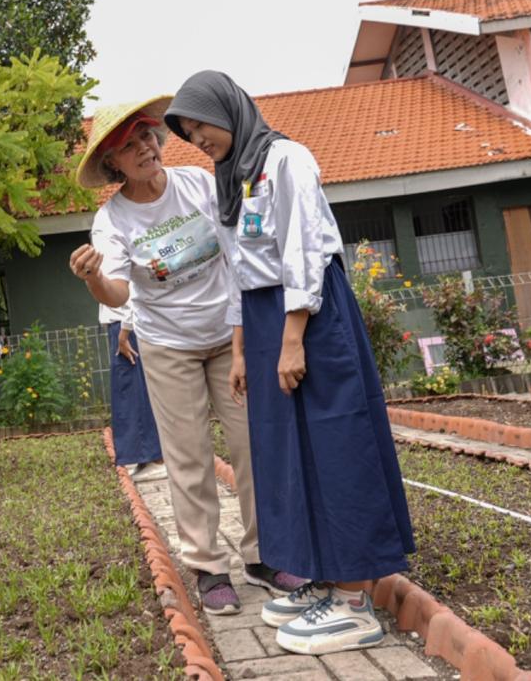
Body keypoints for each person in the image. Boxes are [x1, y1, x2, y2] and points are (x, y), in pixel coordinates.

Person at [164, 70, 415, 656]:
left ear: (228, 109)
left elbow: (305, 249)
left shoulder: (285, 159)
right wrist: (242, 349)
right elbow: (236, 270)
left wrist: (294, 336)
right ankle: (323, 575)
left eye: (200, 122)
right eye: (187, 131)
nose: (196, 137)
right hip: (263, 321)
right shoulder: (234, 179)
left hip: (310, 316)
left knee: (333, 444)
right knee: (286, 454)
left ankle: (356, 599)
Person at [68, 98, 304, 617]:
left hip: (228, 336)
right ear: (114, 165)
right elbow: (115, 292)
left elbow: (241, 253)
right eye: (129, 147)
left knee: (251, 444)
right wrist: (91, 278)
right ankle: (208, 566)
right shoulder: (112, 220)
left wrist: (246, 340)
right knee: (189, 455)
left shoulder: (198, 184)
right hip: (167, 344)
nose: (145, 149)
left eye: (147, 137)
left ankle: (265, 556)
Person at [101, 301, 166, 482]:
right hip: (123, 326)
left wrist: (125, 331)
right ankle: (144, 459)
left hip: (126, 328)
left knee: (134, 390)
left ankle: (156, 459)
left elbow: (130, 294)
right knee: (129, 391)